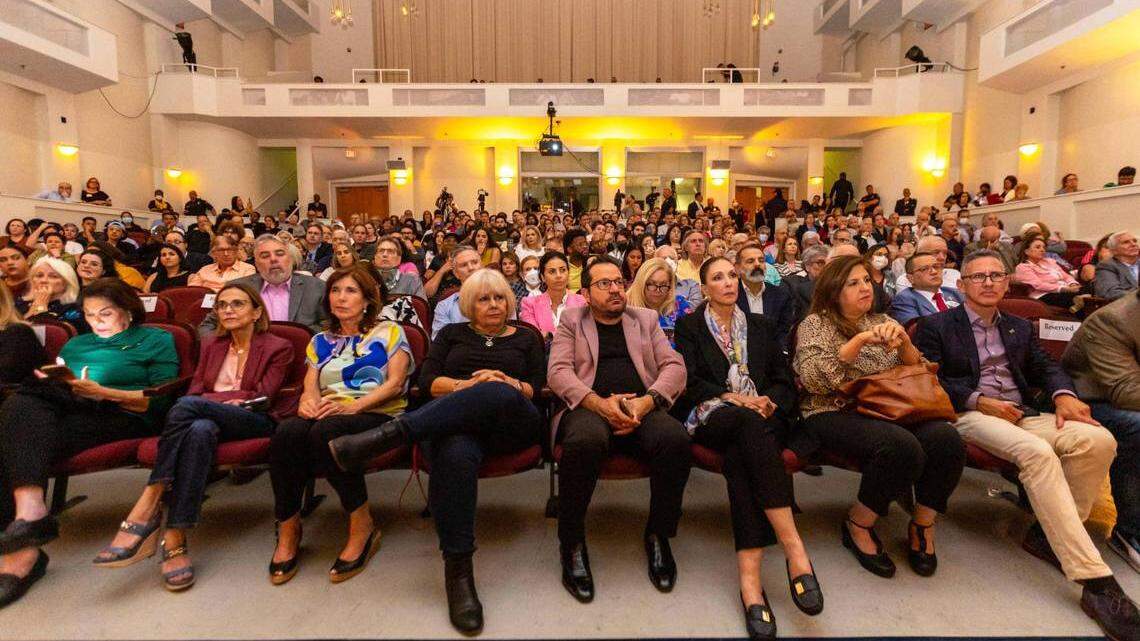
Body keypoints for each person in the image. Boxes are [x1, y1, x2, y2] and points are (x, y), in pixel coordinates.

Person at [913, 250, 1140, 640]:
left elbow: (1047, 367)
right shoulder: (937, 326)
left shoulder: (1018, 326)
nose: (988, 282)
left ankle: (1046, 535)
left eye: (995, 275)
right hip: (969, 415)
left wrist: (1063, 395)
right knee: (1037, 454)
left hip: (1022, 412)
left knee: (1099, 440)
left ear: (1006, 282)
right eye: (978, 276)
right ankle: (1095, 580)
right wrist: (978, 400)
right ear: (962, 284)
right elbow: (928, 379)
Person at [328, 270, 545, 633]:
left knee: (495, 390)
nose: (493, 305)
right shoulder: (450, 335)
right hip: (454, 427)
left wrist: (506, 383)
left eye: (499, 298)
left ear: (510, 301)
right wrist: (466, 386)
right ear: (468, 304)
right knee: (455, 452)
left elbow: (538, 387)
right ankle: (458, 572)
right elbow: (427, 383)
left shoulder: (526, 337)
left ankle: (389, 435)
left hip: (511, 427)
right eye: (484, 299)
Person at [93, 283, 294, 590]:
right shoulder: (212, 345)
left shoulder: (278, 346)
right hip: (207, 418)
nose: (228, 310)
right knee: (200, 429)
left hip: (254, 419)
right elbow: (197, 388)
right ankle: (175, 538)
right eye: (222, 305)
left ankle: (150, 498)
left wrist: (213, 402)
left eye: (237, 304)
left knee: (187, 407)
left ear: (256, 312)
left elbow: (263, 396)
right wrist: (214, 403)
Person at [0, 278, 179, 607]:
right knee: (22, 405)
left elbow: (160, 401)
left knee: (14, 433)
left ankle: (21, 553)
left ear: (127, 311)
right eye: (89, 314)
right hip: (75, 408)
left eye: (105, 313)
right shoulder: (77, 345)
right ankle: (28, 518)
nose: (96, 322)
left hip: (124, 413)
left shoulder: (156, 339)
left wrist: (102, 392)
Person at [793, 255, 965, 579]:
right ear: (834, 291)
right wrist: (858, 341)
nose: (864, 288)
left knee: (947, 439)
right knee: (901, 447)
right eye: (853, 283)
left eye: (866, 281)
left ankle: (923, 524)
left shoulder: (882, 319)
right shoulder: (816, 324)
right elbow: (814, 380)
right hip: (834, 409)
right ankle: (858, 523)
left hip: (890, 407)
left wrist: (904, 342)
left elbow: (920, 369)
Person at [675, 256, 820, 638]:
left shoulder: (761, 325)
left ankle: (750, 583)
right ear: (704, 288)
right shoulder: (690, 327)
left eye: (732, 276)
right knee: (745, 423)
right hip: (713, 414)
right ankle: (794, 548)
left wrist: (768, 402)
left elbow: (783, 381)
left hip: (762, 417)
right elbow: (689, 382)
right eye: (717, 277)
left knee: (743, 456)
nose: (728, 282)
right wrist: (732, 397)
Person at [547, 256, 690, 602]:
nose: (615, 289)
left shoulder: (645, 319)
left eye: (618, 282)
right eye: (604, 284)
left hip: (641, 405)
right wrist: (599, 404)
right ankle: (572, 542)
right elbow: (558, 372)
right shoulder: (572, 320)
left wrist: (646, 402)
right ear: (585, 293)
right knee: (584, 441)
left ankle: (658, 534)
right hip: (589, 406)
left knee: (675, 439)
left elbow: (675, 367)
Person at [267, 264, 412, 586]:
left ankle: (362, 524)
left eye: (350, 291)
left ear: (367, 300)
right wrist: (307, 402)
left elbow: (395, 385)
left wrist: (353, 407)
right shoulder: (321, 339)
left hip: (378, 412)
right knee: (287, 432)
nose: (341, 298)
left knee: (325, 433)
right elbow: (310, 385)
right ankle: (289, 526)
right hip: (331, 411)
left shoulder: (389, 331)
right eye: (335, 290)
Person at [1062, 290, 1140, 572]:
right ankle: (1131, 531)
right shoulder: (1114, 320)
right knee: (1137, 426)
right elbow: (1125, 392)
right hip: (1090, 402)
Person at [733, 244, 794, 349]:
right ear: (737, 268)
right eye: (750, 261)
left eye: (761, 260)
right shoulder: (731, 295)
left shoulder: (781, 295)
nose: (757, 264)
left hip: (772, 353)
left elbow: (784, 332)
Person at [520, 251, 586, 340]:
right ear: (542, 277)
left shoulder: (582, 302)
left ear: (568, 273)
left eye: (563, 270)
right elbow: (535, 337)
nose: (558, 275)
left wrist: (549, 334)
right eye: (552, 271)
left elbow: (584, 334)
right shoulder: (529, 304)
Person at [626, 257, 692, 346]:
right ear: (641, 283)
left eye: (664, 285)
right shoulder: (625, 308)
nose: (657, 290)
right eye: (652, 284)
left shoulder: (680, 304)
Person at [888, 251, 964, 325]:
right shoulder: (905, 299)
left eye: (936, 267)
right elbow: (917, 329)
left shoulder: (954, 292)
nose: (934, 272)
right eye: (924, 269)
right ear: (911, 278)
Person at [17, 257, 87, 333]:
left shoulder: (76, 308)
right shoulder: (20, 303)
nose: (44, 280)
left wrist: (41, 306)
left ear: (66, 282)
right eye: (39, 276)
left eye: (53, 276)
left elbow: (54, 334)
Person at [431, 246, 485, 339]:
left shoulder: (502, 299)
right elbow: (440, 343)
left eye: (475, 262)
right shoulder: (444, 306)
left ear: (482, 266)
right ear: (456, 274)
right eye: (464, 265)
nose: (471, 268)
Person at [1014, 233, 1081, 307]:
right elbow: (1039, 285)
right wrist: (1063, 289)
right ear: (1027, 251)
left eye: (1043, 247)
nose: (1042, 250)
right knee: (1074, 298)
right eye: (1038, 247)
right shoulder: (1023, 267)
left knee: (1087, 289)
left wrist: (1073, 284)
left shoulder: (1049, 261)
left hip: (1064, 289)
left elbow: (1066, 276)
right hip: (1043, 295)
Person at [188, 235, 255, 292]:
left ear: (236, 251)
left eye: (229, 249)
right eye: (221, 250)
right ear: (214, 253)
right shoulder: (205, 270)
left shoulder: (247, 269)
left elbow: (246, 293)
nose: (226, 254)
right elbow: (192, 292)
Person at [784, 244, 829, 320]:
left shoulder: (836, 286)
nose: (826, 267)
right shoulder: (792, 285)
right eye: (820, 263)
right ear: (807, 266)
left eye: (828, 263)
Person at [1095, 230, 1139, 301]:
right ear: (1114, 250)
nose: (1133, 244)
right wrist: (1137, 295)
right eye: (1126, 242)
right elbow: (1111, 293)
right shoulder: (1106, 266)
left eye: (1135, 241)